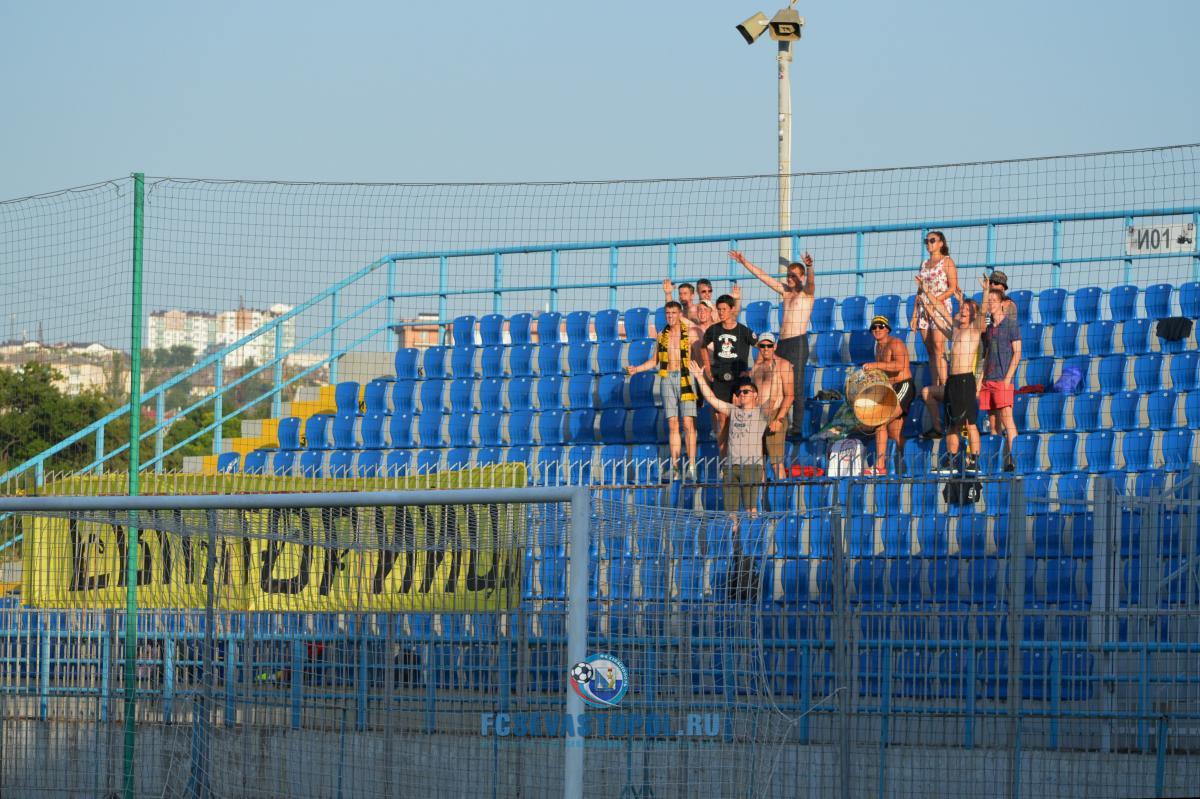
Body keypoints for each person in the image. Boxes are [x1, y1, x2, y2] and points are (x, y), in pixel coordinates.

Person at [728, 250, 815, 438]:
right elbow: (764, 277)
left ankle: (797, 428)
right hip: (782, 343)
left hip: (798, 343)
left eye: (794, 276)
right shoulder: (785, 292)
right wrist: (744, 262)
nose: (790, 278)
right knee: (776, 381)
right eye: (788, 275)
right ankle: (777, 421)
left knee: (795, 385)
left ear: (801, 277)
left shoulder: (806, 294)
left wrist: (809, 267)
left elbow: (811, 283)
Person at [627, 301, 698, 481]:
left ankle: (691, 466)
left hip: (686, 377)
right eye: (668, 313)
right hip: (667, 378)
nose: (670, 316)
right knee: (673, 424)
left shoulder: (690, 333)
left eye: (674, 313)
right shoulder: (661, 335)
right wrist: (637, 369)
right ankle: (675, 467)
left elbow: (700, 355)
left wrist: (704, 377)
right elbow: (654, 361)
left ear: (680, 314)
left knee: (688, 423)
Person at [688, 365, 769, 517]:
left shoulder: (761, 413)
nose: (742, 394)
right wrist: (699, 378)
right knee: (731, 513)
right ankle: (734, 533)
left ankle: (751, 532)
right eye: (739, 392)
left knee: (751, 510)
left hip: (751, 466)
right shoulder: (733, 410)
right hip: (731, 466)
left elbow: (774, 395)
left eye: (746, 392)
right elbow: (712, 400)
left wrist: (771, 370)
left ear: (755, 396)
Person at [918, 293, 985, 472]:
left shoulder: (974, 330)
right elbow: (940, 311)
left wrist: (986, 292)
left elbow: (983, 311)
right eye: (962, 308)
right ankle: (951, 460)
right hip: (952, 381)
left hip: (965, 380)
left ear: (973, 314)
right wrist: (926, 293)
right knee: (952, 425)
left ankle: (974, 460)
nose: (963, 311)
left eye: (967, 309)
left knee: (969, 423)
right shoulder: (955, 330)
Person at [701, 293, 758, 454]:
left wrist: (753, 370)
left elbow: (762, 347)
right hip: (720, 380)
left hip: (739, 381)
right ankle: (724, 459)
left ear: (732, 309)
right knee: (722, 419)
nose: (721, 312)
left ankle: (742, 454)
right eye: (719, 309)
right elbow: (703, 347)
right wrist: (707, 368)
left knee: (741, 417)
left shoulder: (743, 331)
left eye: (724, 309)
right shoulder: (713, 330)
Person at [861, 315, 913, 475]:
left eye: (881, 326)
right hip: (890, 388)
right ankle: (909, 465)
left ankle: (880, 466)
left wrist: (875, 365)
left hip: (904, 386)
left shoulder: (895, 343)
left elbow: (900, 365)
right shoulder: (878, 347)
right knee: (895, 433)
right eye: (874, 327)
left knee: (880, 421)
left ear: (888, 329)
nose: (877, 329)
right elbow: (884, 372)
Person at [980, 288, 1022, 472]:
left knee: (1007, 420)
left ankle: (1014, 460)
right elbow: (986, 355)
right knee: (993, 423)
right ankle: (998, 462)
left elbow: (1017, 353)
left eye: (993, 300)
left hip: (1002, 380)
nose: (990, 303)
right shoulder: (989, 329)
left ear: (1002, 303)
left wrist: (1007, 378)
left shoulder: (1011, 325)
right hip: (988, 380)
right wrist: (981, 380)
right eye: (988, 301)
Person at [912, 230, 959, 387]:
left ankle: (944, 385)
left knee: (939, 347)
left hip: (940, 306)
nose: (929, 243)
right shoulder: (924, 264)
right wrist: (914, 314)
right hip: (923, 308)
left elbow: (952, 288)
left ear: (941, 243)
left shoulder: (947, 261)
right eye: (927, 241)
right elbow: (919, 290)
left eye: (932, 240)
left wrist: (935, 302)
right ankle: (935, 385)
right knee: (930, 350)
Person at [749, 332, 794, 478]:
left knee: (776, 462)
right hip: (757, 417)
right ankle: (761, 493)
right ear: (759, 347)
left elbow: (790, 395)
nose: (766, 349)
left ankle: (782, 492)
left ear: (775, 346)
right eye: (762, 346)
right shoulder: (756, 367)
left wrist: (779, 419)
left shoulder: (783, 365)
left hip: (775, 414)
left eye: (769, 345)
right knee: (758, 463)